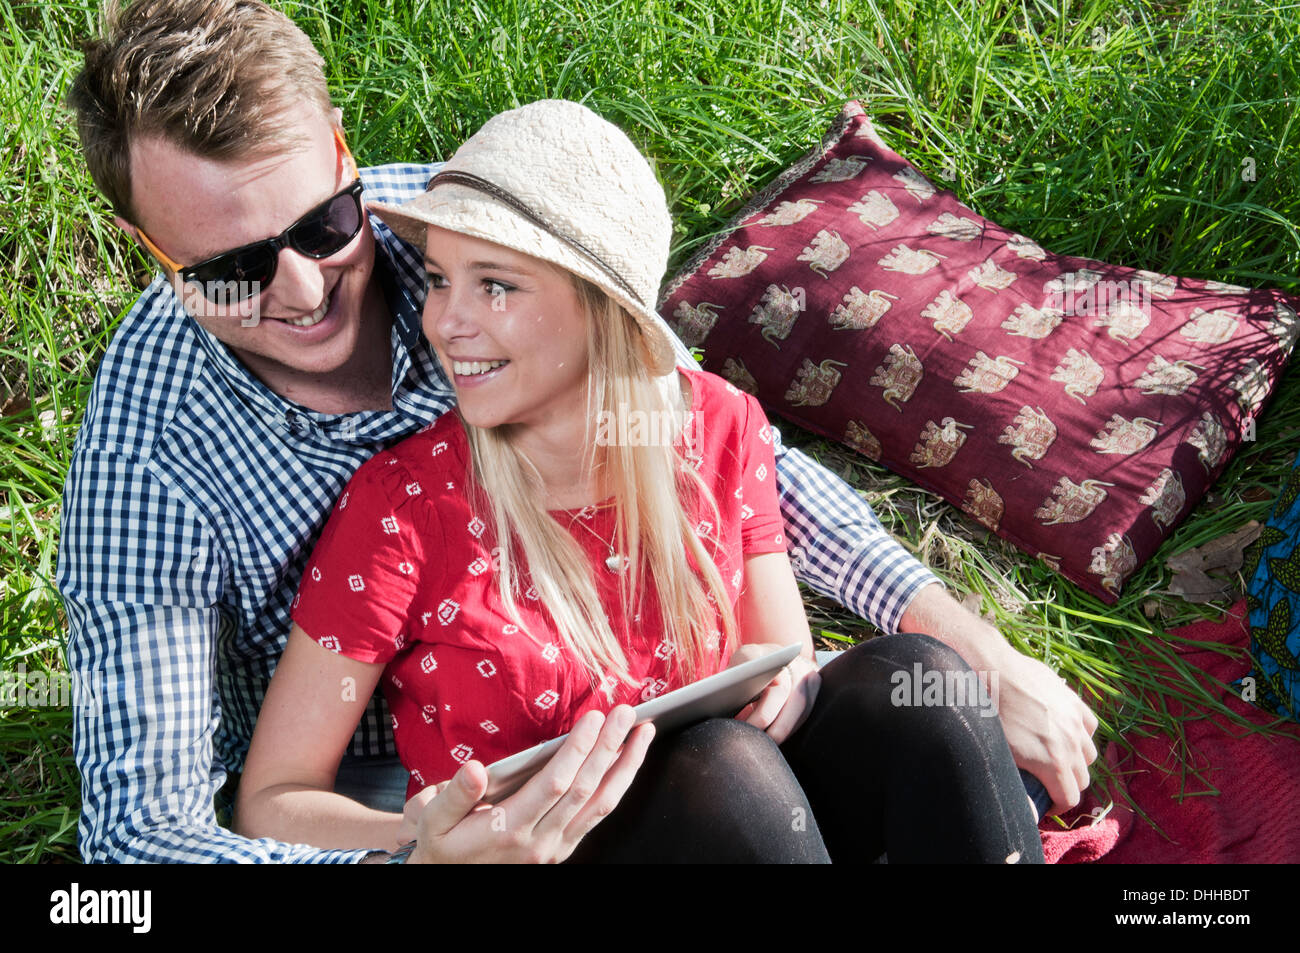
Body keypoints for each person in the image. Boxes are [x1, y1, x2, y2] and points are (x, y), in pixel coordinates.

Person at [57, 0, 1096, 863]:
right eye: (232, 271)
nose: (304, 290)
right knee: (724, 782)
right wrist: (412, 857)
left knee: (908, 702)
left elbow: (728, 459)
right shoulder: (151, 463)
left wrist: (966, 644)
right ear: (146, 247)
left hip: (652, 687)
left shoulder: (464, 224)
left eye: (324, 226)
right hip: (403, 787)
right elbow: (142, 837)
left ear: (341, 151)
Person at [232, 98, 1046, 862]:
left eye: (496, 286)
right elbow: (272, 798)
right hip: (555, 851)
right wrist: (419, 836)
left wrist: (790, 689)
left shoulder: (716, 427)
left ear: (602, 309)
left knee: (923, 680)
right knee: (723, 768)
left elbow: (784, 654)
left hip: (754, 826)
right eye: (442, 278)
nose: (445, 320)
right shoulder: (402, 507)